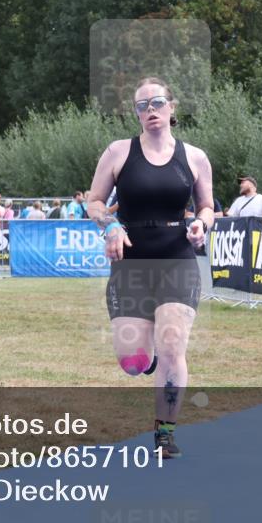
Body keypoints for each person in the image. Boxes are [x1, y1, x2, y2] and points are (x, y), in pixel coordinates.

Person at [87, 77, 214, 460]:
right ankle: (150, 359)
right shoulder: (118, 152)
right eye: (142, 106)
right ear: (136, 114)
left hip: (177, 256)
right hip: (131, 262)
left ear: (172, 107)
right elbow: (93, 201)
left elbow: (208, 207)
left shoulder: (194, 157)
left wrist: (201, 225)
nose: (151, 111)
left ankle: (165, 434)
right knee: (133, 361)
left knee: (174, 343)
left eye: (157, 102)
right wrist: (109, 224)